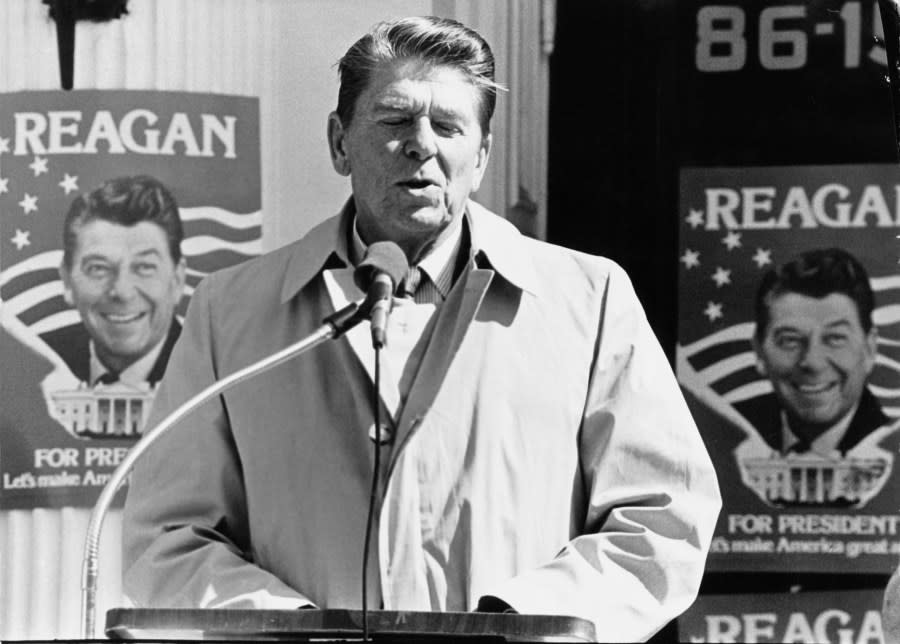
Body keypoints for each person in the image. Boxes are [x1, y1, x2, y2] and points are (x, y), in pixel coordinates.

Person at [122, 16, 720, 641]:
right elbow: (168, 537)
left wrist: (519, 627)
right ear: (338, 143)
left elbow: (664, 517)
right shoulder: (231, 312)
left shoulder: (588, 300)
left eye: (450, 126)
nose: (422, 144)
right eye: (395, 120)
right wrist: (290, 632)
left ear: (482, 155)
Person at [734, 247, 887, 457]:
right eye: (790, 340)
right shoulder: (725, 436)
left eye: (835, 338)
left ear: (869, 349)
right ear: (759, 351)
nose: (812, 362)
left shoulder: (892, 449)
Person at [41, 175, 186, 388]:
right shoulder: (37, 363)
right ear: (67, 281)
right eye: (99, 268)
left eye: (144, 267)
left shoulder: (212, 370)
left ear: (177, 280)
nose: (122, 291)